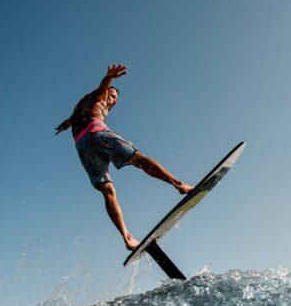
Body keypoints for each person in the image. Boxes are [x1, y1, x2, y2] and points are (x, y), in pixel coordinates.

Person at [55, 64, 193, 250]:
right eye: (112, 96)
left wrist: (63, 126)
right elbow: (103, 88)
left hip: (82, 145)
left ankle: (127, 238)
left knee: (107, 190)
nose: (113, 101)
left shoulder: (82, 106)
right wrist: (109, 77)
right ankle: (180, 185)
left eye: (115, 99)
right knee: (139, 159)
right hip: (97, 132)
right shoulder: (98, 96)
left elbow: (70, 121)